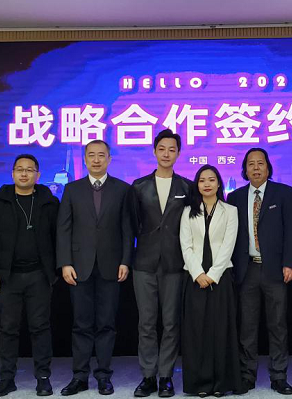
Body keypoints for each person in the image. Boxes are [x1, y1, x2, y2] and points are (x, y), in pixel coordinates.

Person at [56, 140, 134, 396]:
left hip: (112, 266)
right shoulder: (72, 189)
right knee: (81, 324)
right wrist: (65, 263)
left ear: (109, 159)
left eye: (102, 155)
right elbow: (64, 229)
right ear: (85, 159)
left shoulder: (122, 189)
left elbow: (127, 229)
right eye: (92, 155)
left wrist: (126, 260)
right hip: (79, 267)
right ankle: (79, 376)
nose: (97, 160)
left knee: (106, 324)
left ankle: (103, 376)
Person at [0, 154, 59, 397]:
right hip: (8, 276)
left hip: (39, 275)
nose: (24, 174)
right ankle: (7, 379)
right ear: (12, 173)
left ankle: (43, 378)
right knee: (8, 329)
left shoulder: (49, 201)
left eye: (29, 170)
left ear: (38, 175)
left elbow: (59, 237)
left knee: (40, 327)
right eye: (20, 169)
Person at [228, 147, 292, 395]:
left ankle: (279, 376)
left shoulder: (284, 193)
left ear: (268, 168)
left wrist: (289, 263)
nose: (256, 168)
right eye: (251, 164)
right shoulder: (235, 197)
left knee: (277, 325)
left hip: (276, 270)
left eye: (260, 163)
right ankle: (247, 374)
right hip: (246, 269)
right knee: (247, 326)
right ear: (245, 170)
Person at [129, 129, 192, 398]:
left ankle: (166, 376)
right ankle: (148, 376)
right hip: (143, 262)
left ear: (178, 154)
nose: (166, 154)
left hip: (175, 263)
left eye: (172, 150)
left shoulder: (187, 187)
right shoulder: (138, 186)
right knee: (146, 323)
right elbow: (132, 224)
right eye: (162, 149)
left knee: (170, 323)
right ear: (154, 151)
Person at [179, 165, 240, 396]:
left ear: (219, 183)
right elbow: (185, 245)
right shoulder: (188, 211)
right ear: (197, 184)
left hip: (221, 277)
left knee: (220, 330)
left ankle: (220, 384)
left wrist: (213, 275)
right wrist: (198, 274)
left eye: (211, 179)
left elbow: (228, 245)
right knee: (197, 332)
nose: (207, 184)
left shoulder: (230, 211)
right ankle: (200, 384)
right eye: (202, 180)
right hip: (194, 277)